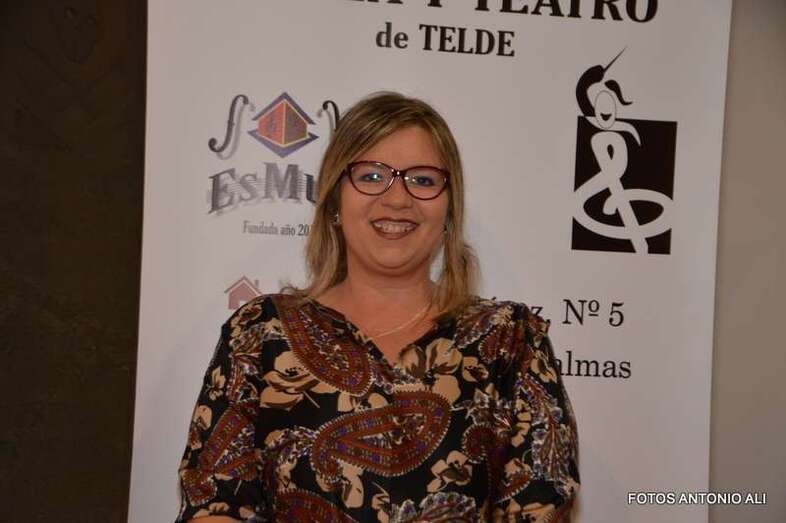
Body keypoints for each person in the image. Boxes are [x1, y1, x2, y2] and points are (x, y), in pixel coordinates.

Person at [175, 92, 580, 522]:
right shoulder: (261, 334)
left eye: (422, 180)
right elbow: (214, 503)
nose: (397, 199)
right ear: (335, 200)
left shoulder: (509, 340)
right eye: (371, 176)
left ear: (449, 209)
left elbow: (541, 502)